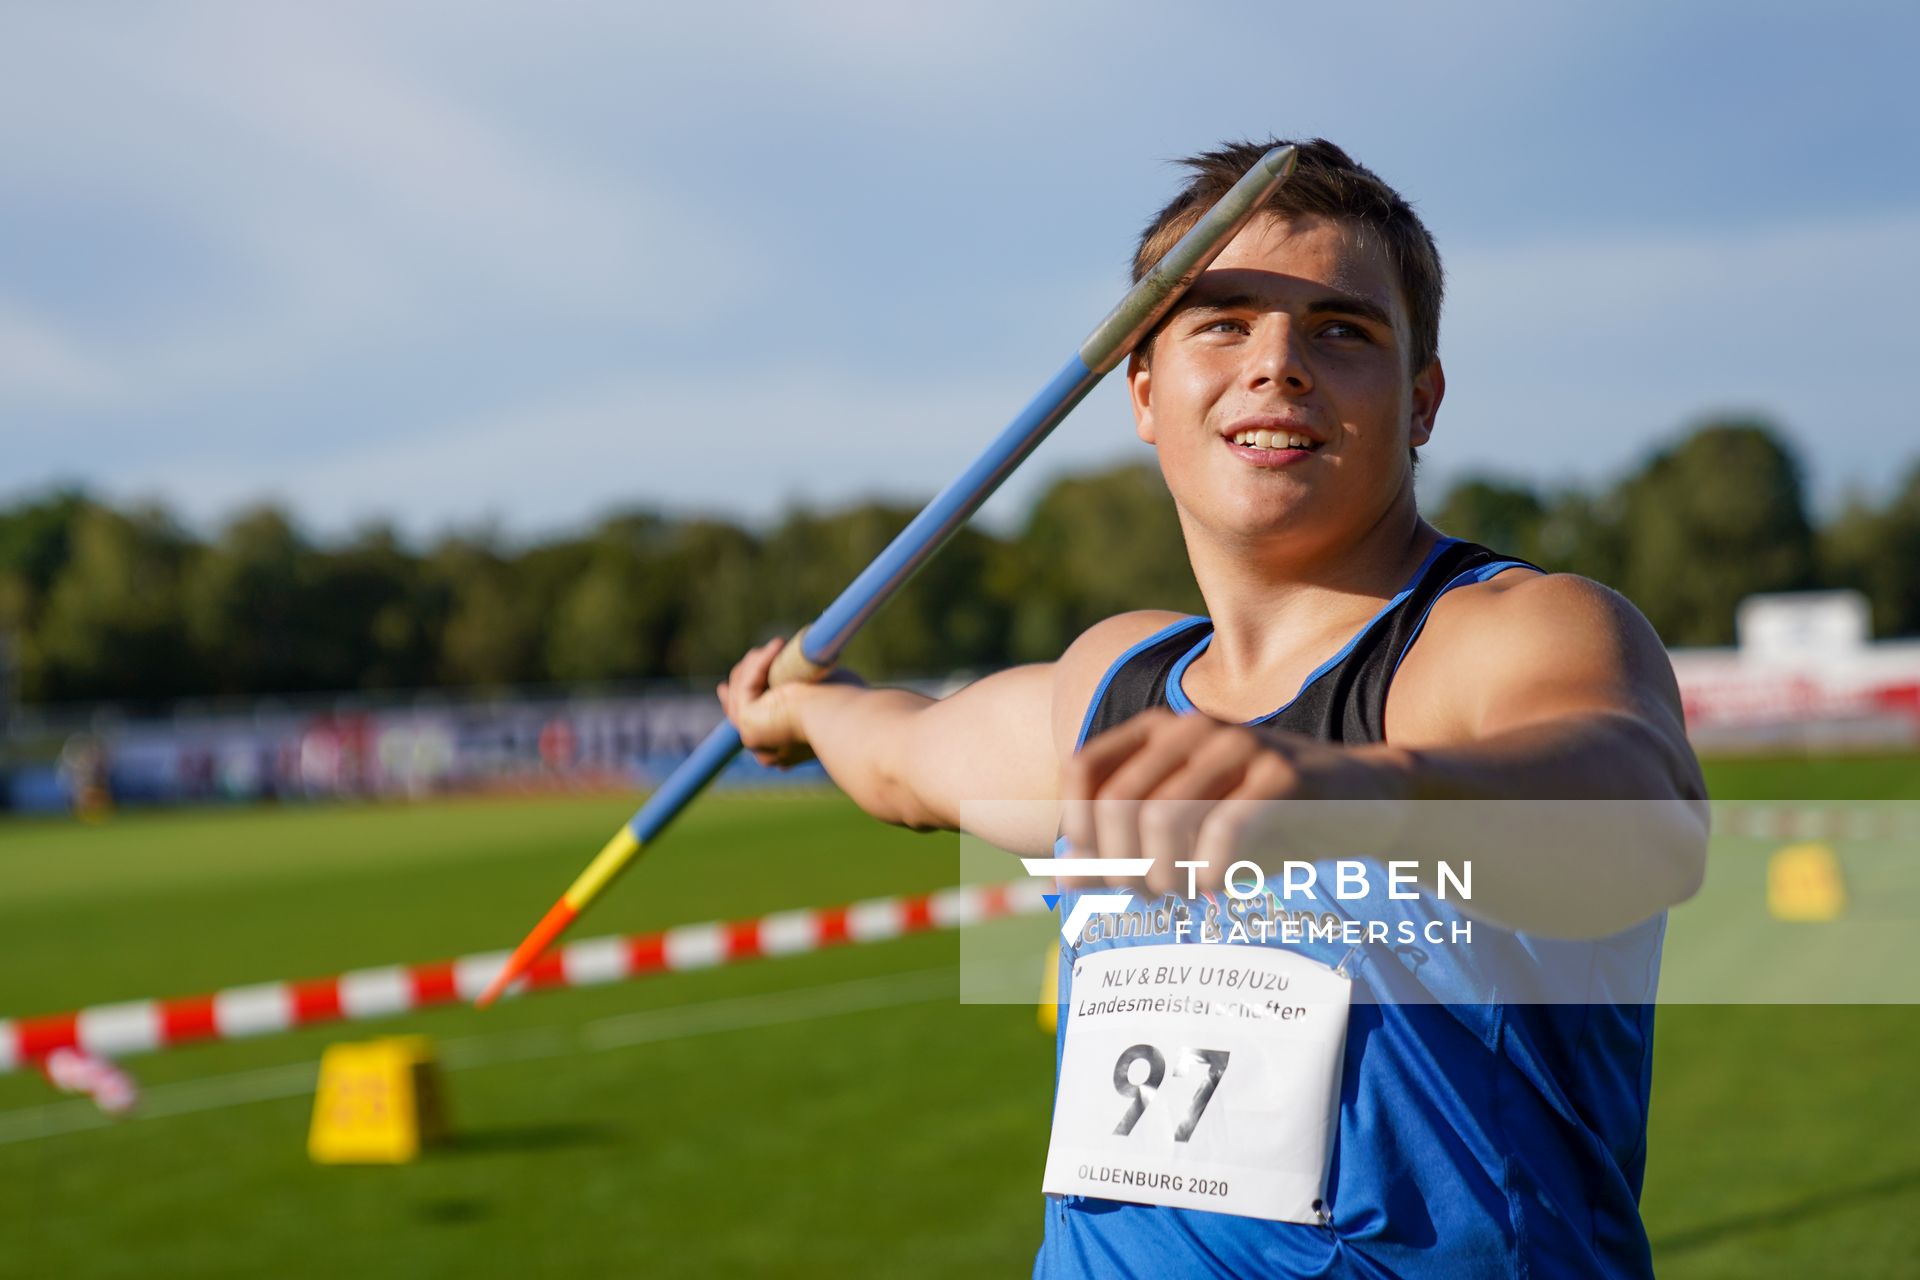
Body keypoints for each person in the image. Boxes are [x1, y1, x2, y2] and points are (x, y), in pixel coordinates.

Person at [718, 138, 1706, 1278]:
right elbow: (901, 757)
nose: (1279, 363)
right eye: (1223, 319)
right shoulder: (1114, 685)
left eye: (1344, 329)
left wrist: (1350, 792)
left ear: (1422, 399)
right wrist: (796, 706)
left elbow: (1640, 817)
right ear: (1142, 388)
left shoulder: (1509, 636)